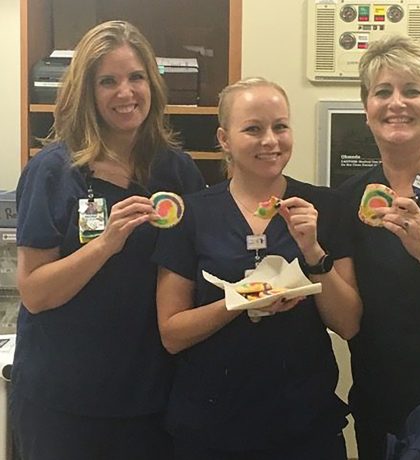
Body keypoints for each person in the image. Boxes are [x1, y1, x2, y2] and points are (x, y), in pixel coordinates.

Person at [11, 20, 205, 460]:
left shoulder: (176, 172)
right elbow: (35, 292)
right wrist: (105, 244)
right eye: (108, 81)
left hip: (151, 397)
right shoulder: (53, 173)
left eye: (136, 77)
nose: (126, 93)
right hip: (63, 403)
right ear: (87, 91)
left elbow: (194, 271)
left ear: (152, 84)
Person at [153, 77, 363, 459]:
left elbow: (347, 323)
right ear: (224, 139)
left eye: (280, 126)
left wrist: (312, 250)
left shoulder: (325, 208)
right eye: (253, 128)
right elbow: (171, 332)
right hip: (212, 426)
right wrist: (236, 303)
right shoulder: (193, 214)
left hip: (304, 425)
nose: (271, 140)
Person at [339, 34, 420, 459]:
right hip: (380, 398)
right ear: (366, 106)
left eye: (413, 90)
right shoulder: (351, 195)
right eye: (382, 92)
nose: (396, 103)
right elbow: (347, 315)